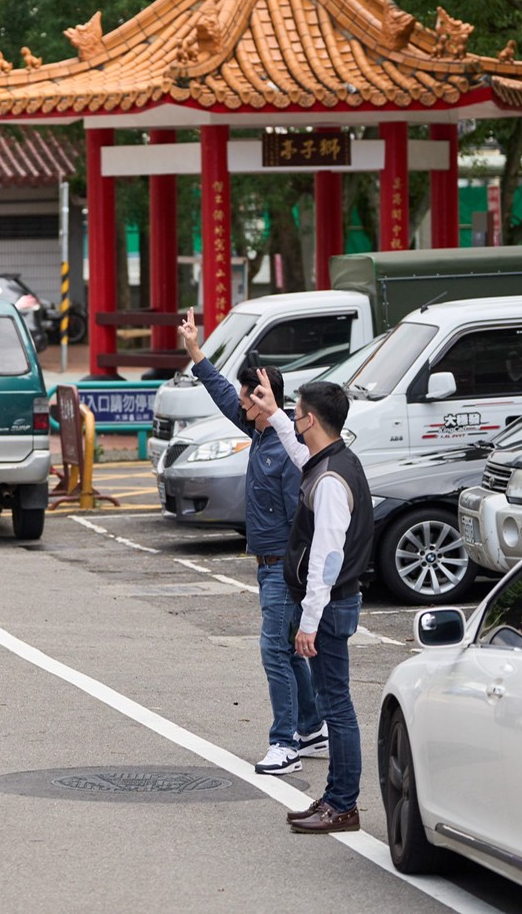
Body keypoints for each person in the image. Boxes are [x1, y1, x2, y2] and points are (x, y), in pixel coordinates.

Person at [176, 308, 323, 777]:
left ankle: (286, 744)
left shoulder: (281, 451)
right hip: (267, 564)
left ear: (264, 401)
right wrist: (195, 352)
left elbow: (305, 520)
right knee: (285, 647)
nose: (240, 405)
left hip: (282, 566)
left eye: (248, 399)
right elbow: (222, 395)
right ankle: (311, 725)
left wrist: (297, 574)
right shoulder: (259, 433)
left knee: (273, 650)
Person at [250, 378, 372, 835]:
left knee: (336, 707)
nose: (295, 421)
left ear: (313, 420)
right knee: (332, 701)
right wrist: (275, 414)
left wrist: (308, 621)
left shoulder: (331, 481)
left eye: (297, 414)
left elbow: (327, 559)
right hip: (333, 604)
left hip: (331, 605)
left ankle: (343, 805)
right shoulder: (332, 461)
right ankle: (336, 797)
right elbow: (303, 457)